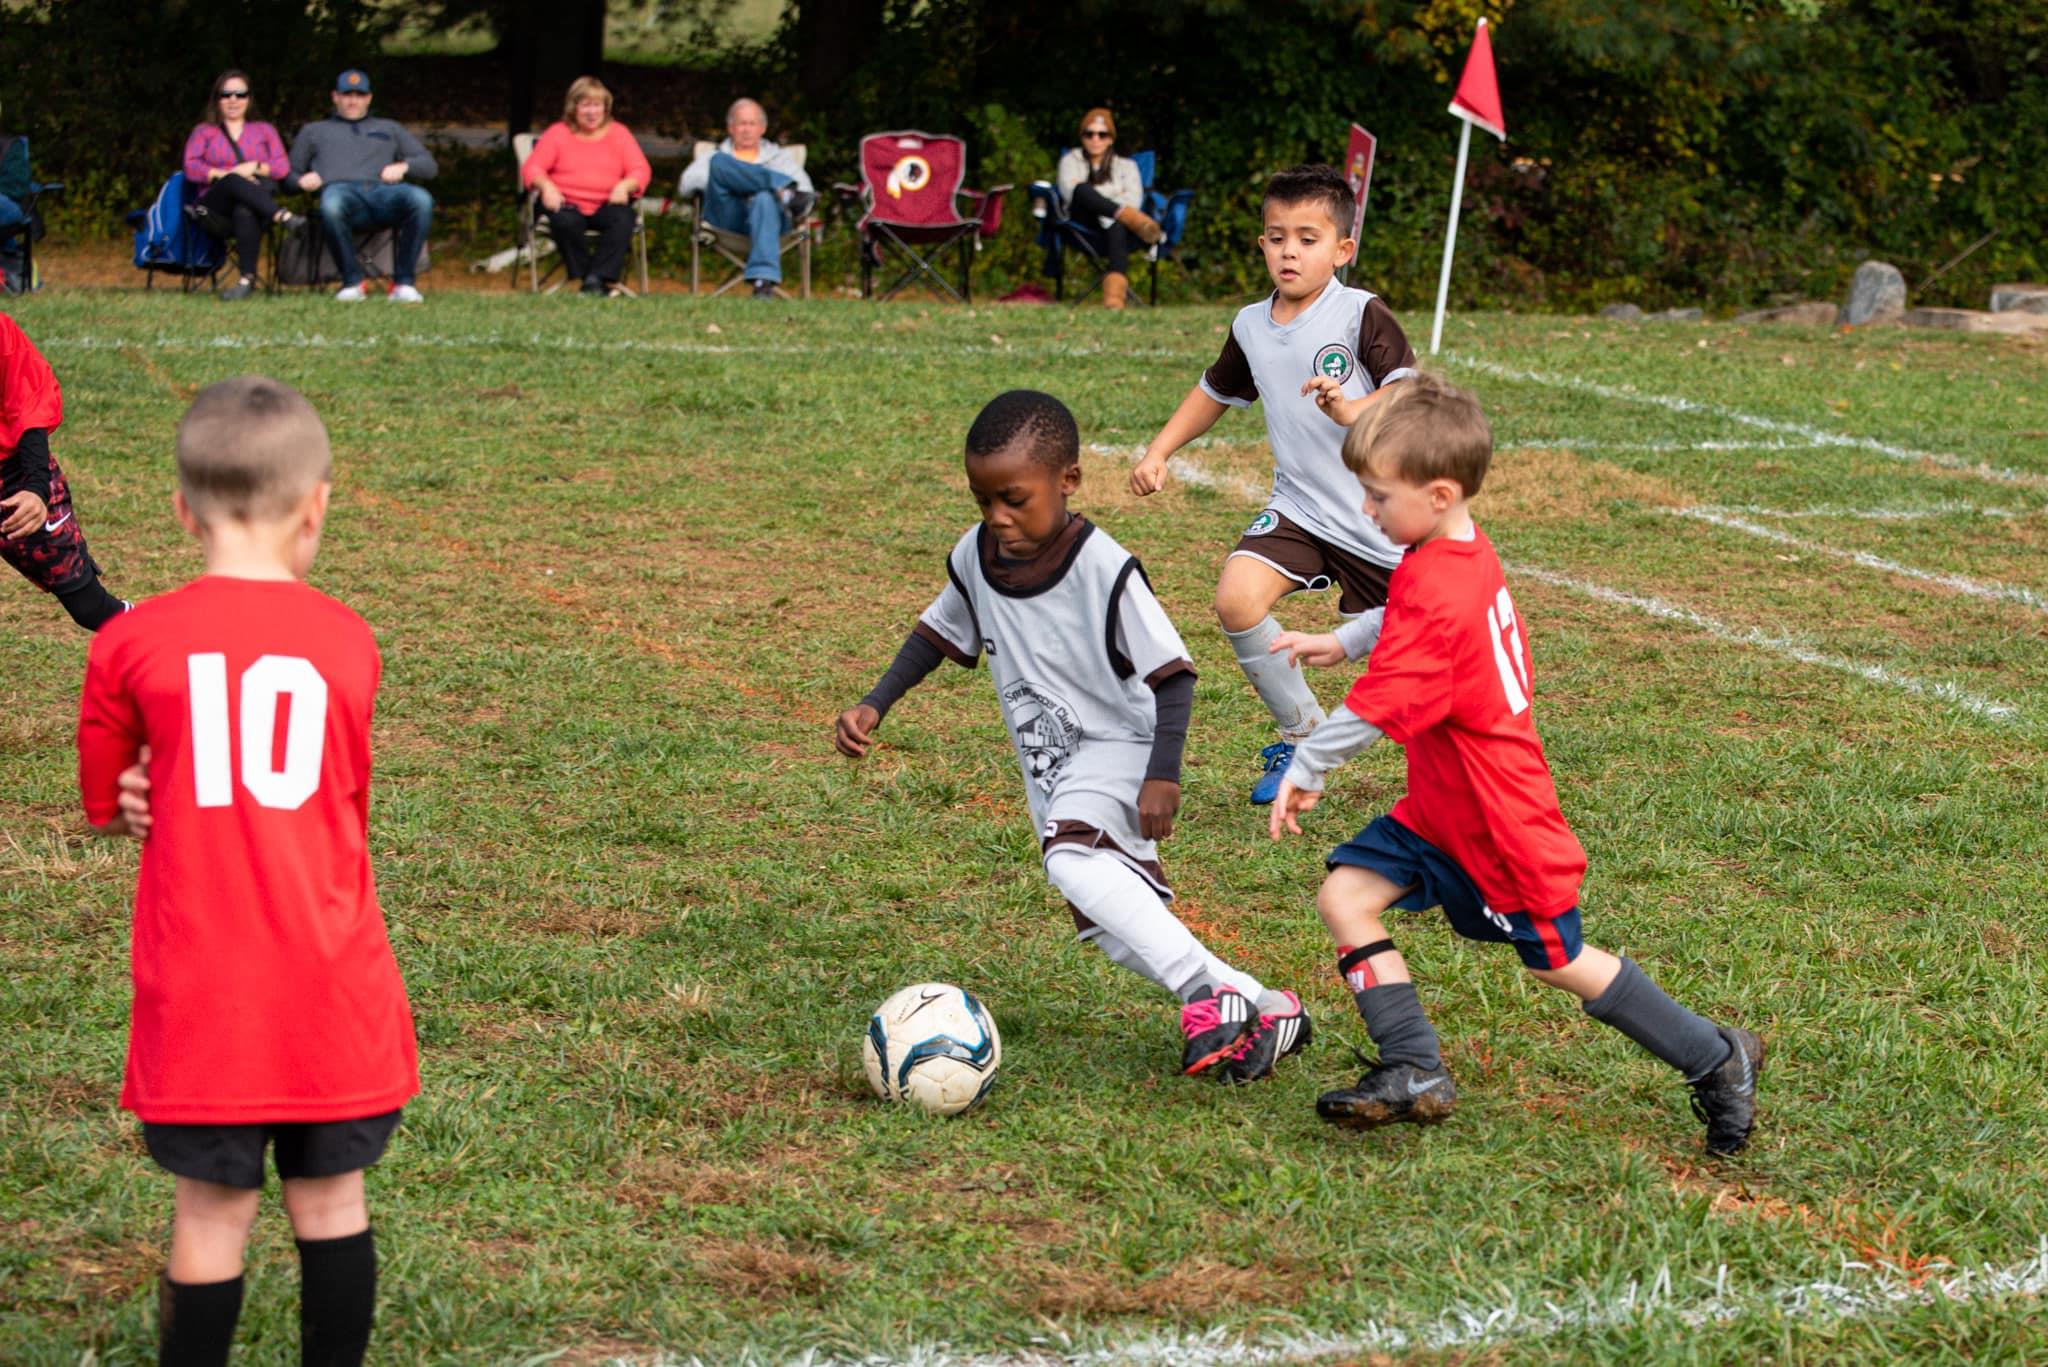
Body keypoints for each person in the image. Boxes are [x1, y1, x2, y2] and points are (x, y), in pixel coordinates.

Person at [1264, 374, 1764, 1154]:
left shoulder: (1443, 590)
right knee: (1345, 897)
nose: (1366, 509)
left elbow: (1372, 709)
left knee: (1561, 962)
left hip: (1497, 821)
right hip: (1440, 810)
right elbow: (1402, 607)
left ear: (1437, 493)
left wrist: (1307, 766)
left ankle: (1715, 1055)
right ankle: (1413, 1066)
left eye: (1377, 496)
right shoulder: (1449, 549)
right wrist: (1342, 639)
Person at [77, 376, 418, 1364]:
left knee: (210, 1215)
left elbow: (109, 800)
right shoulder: (348, 639)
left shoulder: (128, 641)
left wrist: (140, 790)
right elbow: (340, 800)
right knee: (333, 1203)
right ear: (317, 505)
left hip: (201, 993)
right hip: (331, 982)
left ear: (182, 511)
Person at [834, 390, 1311, 1082]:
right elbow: (936, 633)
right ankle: (1267, 1006)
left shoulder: (1103, 568)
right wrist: (875, 703)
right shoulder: (975, 556)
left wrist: (1163, 775)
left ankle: (1205, 995)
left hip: (1122, 748)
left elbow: (1174, 675)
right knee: (1113, 927)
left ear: (1069, 480)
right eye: (982, 499)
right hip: (1054, 770)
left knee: (1069, 861)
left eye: (1014, 499)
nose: (997, 517)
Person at [1131, 163, 1417, 805]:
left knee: (1414, 674)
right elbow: (1215, 391)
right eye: (1278, 237)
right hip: (1300, 510)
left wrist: (1352, 410)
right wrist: (1159, 450)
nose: (1291, 252)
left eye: (1308, 239)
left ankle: (1465, 767)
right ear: (1262, 244)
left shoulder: (1360, 314)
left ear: (1342, 249)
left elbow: (1408, 391)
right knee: (1237, 599)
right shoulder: (1251, 325)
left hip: (1382, 521)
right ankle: (1300, 734)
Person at [1, 312, 128, 630]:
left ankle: (180, 639)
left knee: (90, 608)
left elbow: (28, 403)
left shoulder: (2, 331)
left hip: (13, 482)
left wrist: (36, 488)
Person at [289, 69, 437, 302]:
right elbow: (287, 176)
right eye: (347, 95)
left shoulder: (389, 128)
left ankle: (404, 283)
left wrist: (404, 166)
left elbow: (429, 166)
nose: (353, 101)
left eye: (359, 95)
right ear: (335, 97)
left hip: (383, 194)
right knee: (331, 202)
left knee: (421, 199)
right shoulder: (314, 131)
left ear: (369, 98)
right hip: (341, 194)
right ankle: (353, 282)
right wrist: (301, 181)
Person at [520, 76, 651, 297]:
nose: (592, 112)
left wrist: (625, 185)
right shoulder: (558, 133)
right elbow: (533, 168)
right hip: (566, 203)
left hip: (607, 203)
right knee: (565, 221)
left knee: (623, 219)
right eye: (585, 105)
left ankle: (594, 279)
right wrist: (546, 186)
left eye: (597, 105)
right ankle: (593, 280)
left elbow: (640, 169)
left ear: (605, 108)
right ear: (574, 108)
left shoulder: (619, 134)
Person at [182, 69, 304, 302]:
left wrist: (254, 167)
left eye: (240, 94)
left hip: (256, 207)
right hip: (214, 209)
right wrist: (226, 175)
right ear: (217, 99)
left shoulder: (264, 130)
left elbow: (281, 167)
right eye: (226, 94)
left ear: (249, 99)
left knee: (245, 208)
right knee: (232, 180)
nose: (233, 100)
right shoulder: (204, 132)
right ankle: (284, 217)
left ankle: (246, 281)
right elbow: (191, 167)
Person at [678, 97, 813, 299]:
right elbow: (686, 185)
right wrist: (734, 179)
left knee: (763, 198)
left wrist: (754, 186)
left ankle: (763, 281)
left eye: (752, 124)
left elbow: (805, 193)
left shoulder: (779, 158)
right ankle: (779, 185)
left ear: (762, 128)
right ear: (730, 128)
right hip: (728, 221)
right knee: (719, 164)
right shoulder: (715, 155)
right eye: (741, 123)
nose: (747, 130)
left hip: (770, 223)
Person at [1053, 108, 1163, 309]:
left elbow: (1135, 198)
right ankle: (1134, 219)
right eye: (1089, 134)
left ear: (1111, 139)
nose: (1095, 139)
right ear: (1082, 137)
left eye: (1102, 134)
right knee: (1082, 189)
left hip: (1117, 230)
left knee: (1117, 223)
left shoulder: (1127, 166)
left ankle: (1114, 298)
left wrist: (1107, 206)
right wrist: (1113, 198)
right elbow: (1070, 192)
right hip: (1083, 226)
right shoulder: (1070, 161)